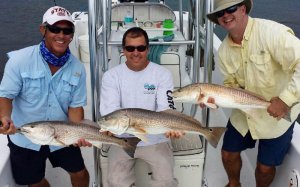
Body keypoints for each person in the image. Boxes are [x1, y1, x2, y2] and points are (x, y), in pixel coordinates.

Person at [206, 0, 300, 187]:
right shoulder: (224, 50)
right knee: (227, 154)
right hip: (244, 112)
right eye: (220, 13)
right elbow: (230, 84)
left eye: (230, 9)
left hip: (277, 115)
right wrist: (216, 100)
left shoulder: (273, 33)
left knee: (265, 168)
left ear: (243, 9)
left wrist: (285, 100)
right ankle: (234, 184)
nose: (225, 15)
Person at [0, 6, 91, 187]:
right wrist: (5, 118)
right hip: (25, 138)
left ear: (72, 34)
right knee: (35, 182)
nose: (61, 35)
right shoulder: (19, 60)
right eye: (55, 29)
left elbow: (75, 107)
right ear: (43, 29)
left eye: (67, 30)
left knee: (80, 173)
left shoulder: (78, 68)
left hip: (62, 134)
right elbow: (6, 96)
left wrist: (79, 132)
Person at [100, 27, 183, 187]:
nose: (135, 52)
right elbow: (110, 112)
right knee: (115, 182)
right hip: (122, 139)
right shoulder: (111, 76)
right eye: (130, 48)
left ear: (148, 49)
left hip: (156, 138)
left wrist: (172, 127)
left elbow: (166, 109)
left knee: (166, 181)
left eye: (141, 48)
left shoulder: (162, 74)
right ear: (123, 50)